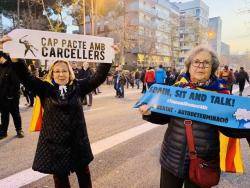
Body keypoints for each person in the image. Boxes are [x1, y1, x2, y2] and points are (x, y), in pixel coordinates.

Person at [0, 36, 118, 187]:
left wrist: (108, 57)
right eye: (57, 71)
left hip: (78, 142)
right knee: (60, 181)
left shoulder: (78, 87)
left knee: (84, 175)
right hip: (55, 145)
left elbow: (98, 78)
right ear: (52, 74)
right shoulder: (45, 89)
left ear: (70, 73)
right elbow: (25, 77)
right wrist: (15, 56)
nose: (61, 74)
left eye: (64, 71)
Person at [139, 46, 250, 188]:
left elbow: (228, 129)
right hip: (172, 158)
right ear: (189, 66)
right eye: (196, 62)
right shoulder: (177, 88)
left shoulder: (221, 94)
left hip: (203, 161)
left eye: (206, 63)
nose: (200, 66)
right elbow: (164, 117)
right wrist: (149, 114)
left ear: (212, 67)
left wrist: (246, 124)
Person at [0, 51, 24, 139]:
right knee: (4, 115)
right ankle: (3, 132)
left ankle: (19, 130)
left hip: (12, 96)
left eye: (1, 57)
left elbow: (16, 83)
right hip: (2, 96)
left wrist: (11, 95)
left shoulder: (11, 66)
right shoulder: (1, 67)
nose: (0, 59)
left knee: (15, 113)